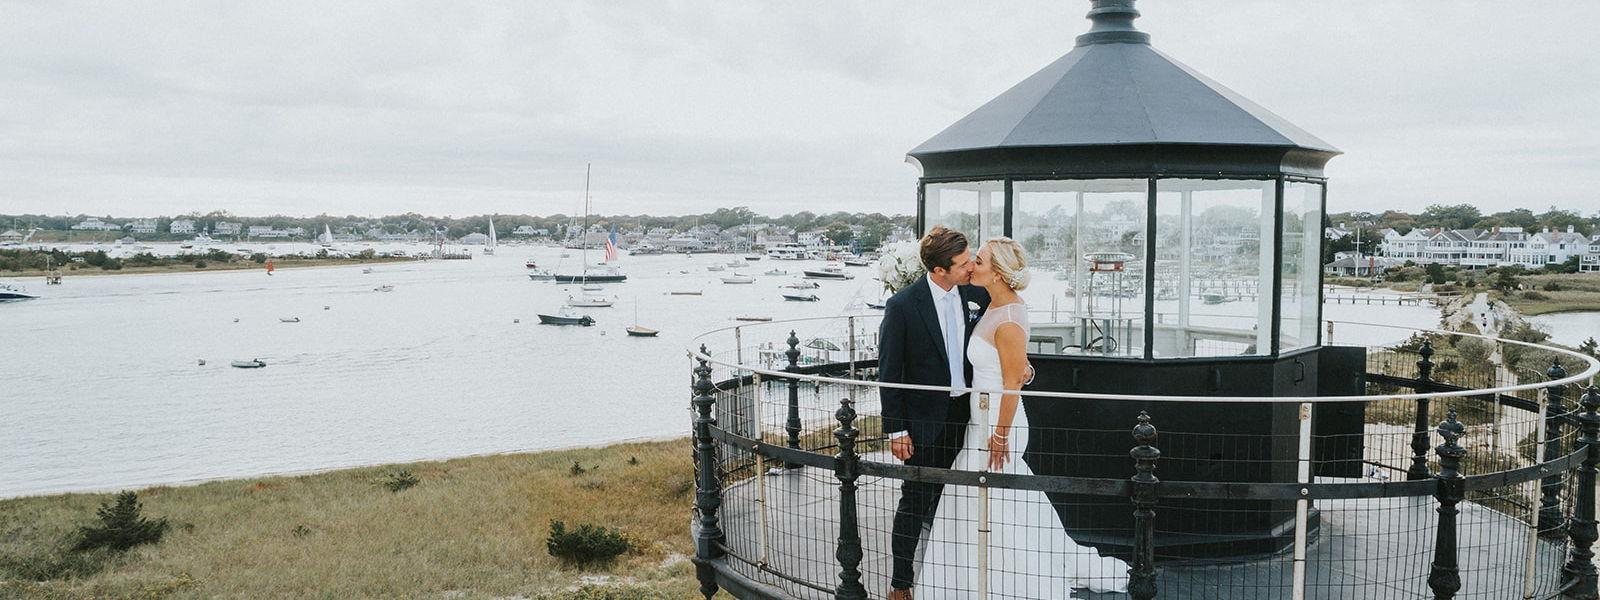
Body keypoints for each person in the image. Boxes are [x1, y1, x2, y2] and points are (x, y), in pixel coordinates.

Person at [915, 238, 1129, 597]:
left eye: (979, 261)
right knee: (987, 500)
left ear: (997, 273)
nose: (972, 266)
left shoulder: (1010, 317)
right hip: (980, 420)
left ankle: (1011, 583)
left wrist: (1000, 434)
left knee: (992, 502)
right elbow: (1013, 367)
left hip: (1000, 422)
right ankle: (970, 580)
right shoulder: (991, 303)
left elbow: (1013, 382)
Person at [877, 226, 990, 600]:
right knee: (915, 501)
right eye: (963, 263)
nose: (971, 266)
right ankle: (901, 583)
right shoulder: (903, 306)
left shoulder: (976, 294)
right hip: (924, 423)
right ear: (940, 270)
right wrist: (896, 430)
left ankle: (955, 577)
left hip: (968, 417)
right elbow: (889, 372)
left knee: (960, 500)